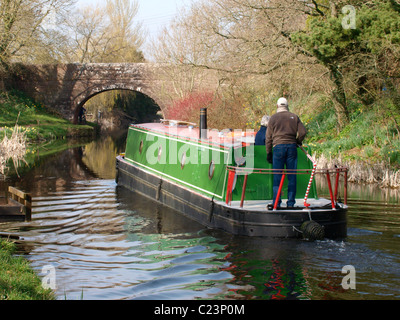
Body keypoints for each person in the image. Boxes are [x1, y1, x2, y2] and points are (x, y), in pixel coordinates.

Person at [265, 97, 307, 208]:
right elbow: (303, 132)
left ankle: (276, 203)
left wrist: (269, 153)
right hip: (292, 148)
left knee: (277, 177)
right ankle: (291, 204)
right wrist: (297, 142)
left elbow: (268, 137)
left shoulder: (273, 118)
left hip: (278, 148)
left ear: (277, 106)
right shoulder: (294, 117)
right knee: (292, 176)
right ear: (287, 106)